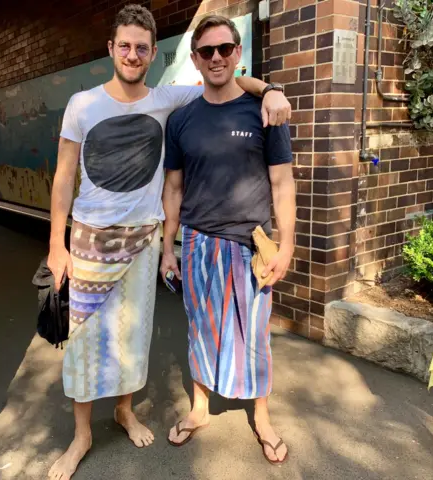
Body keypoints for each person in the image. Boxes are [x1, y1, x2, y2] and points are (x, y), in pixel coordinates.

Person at [47, 5, 291, 479]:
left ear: (153, 53)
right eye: (125, 46)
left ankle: (124, 409)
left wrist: (271, 88)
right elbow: (62, 178)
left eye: (142, 47)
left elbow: (225, 80)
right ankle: (81, 435)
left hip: (143, 239)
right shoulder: (82, 104)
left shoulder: (167, 99)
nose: (133, 55)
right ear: (111, 49)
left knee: (131, 337)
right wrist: (56, 246)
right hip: (88, 239)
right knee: (83, 340)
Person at [160, 15, 296, 465]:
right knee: (200, 327)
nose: (216, 57)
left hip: (250, 245)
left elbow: (282, 184)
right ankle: (200, 409)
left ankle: (262, 418)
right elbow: (174, 189)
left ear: (237, 54)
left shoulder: (265, 111)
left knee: (254, 333)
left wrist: (289, 245)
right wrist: (167, 248)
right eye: (206, 51)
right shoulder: (180, 121)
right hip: (198, 244)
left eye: (224, 49)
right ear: (196, 60)